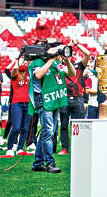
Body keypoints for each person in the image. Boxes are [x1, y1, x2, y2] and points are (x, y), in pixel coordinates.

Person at [28, 41, 75, 173]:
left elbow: (71, 73)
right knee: (48, 131)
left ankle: (38, 163)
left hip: (54, 99)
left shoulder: (57, 63)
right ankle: (49, 162)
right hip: (43, 100)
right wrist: (51, 59)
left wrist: (67, 60)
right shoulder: (36, 62)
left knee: (48, 131)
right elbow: (38, 75)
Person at [6, 56, 32, 156]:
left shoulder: (29, 74)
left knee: (25, 128)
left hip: (28, 103)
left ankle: (20, 148)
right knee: (16, 127)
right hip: (17, 103)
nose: (24, 63)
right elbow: (15, 69)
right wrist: (18, 61)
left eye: (26, 62)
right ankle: (9, 148)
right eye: (23, 62)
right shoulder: (15, 74)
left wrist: (28, 62)